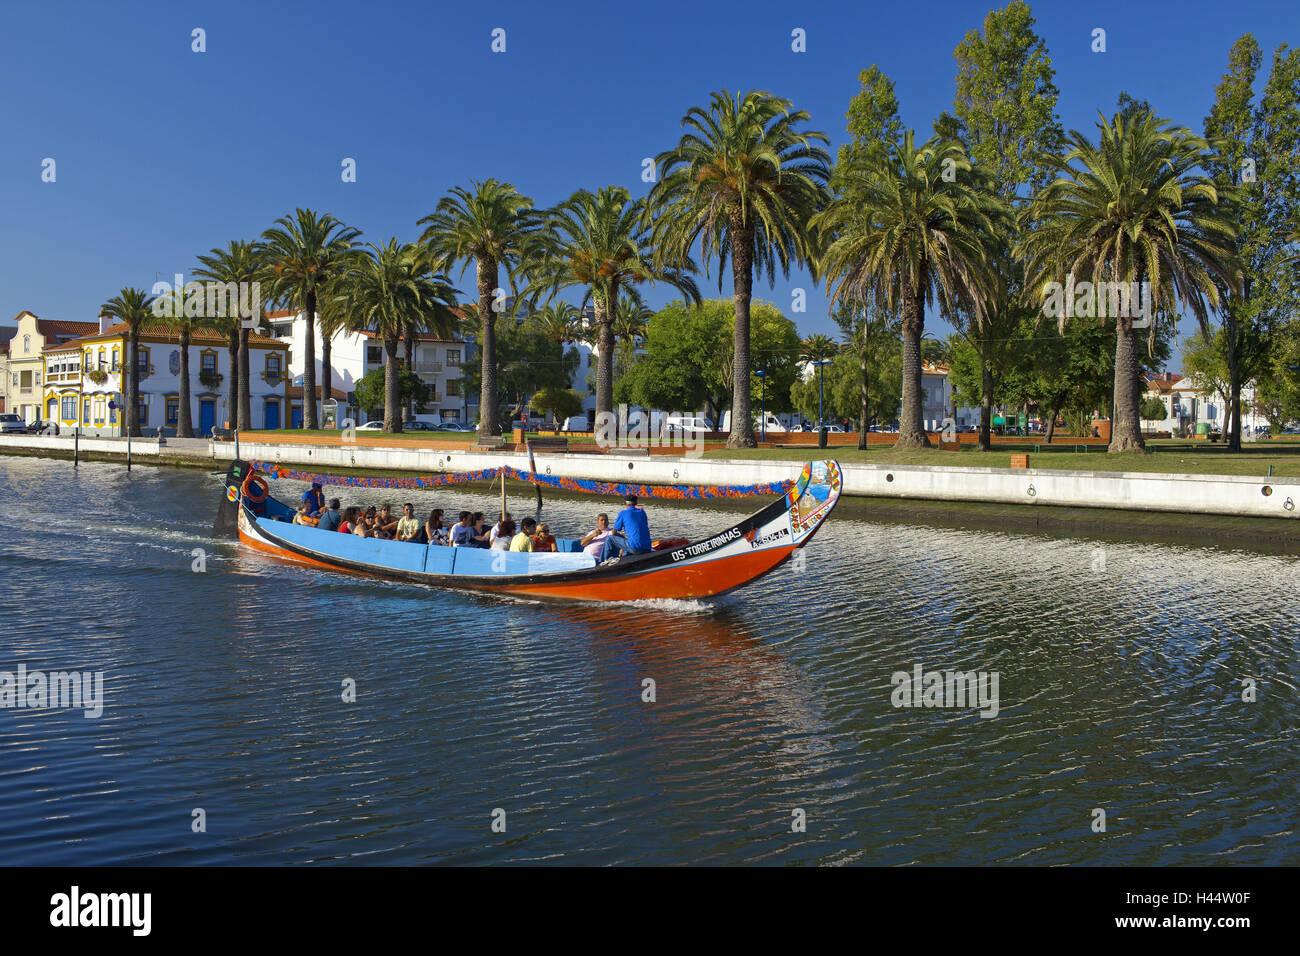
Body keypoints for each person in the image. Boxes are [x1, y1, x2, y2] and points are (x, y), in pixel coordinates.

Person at [599, 494, 651, 563]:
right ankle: (623, 558)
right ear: (636, 503)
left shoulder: (623, 513)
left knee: (609, 538)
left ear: (625, 503)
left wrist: (621, 536)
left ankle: (603, 562)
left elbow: (613, 533)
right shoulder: (642, 512)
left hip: (635, 548)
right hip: (647, 548)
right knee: (628, 545)